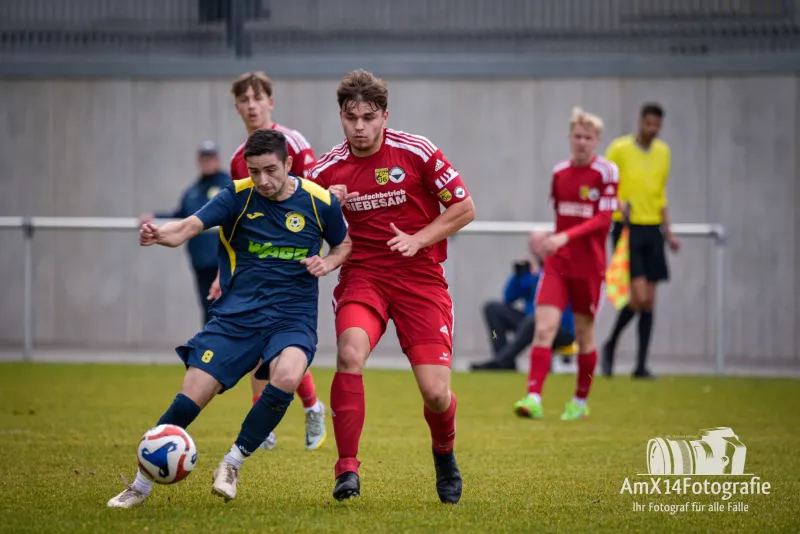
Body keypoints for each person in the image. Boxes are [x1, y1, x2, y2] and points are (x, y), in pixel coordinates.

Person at [107, 129, 351, 509]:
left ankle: (233, 463)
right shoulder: (237, 195)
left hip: (292, 318)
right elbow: (189, 226)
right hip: (237, 317)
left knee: (288, 375)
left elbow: (344, 242)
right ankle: (139, 485)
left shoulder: (319, 202)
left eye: (271, 170)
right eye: (255, 171)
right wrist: (160, 234)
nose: (263, 180)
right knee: (189, 401)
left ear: (288, 164)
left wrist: (329, 261)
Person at [310, 69, 476, 503]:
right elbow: (301, 226)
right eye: (351, 118)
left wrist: (418, 238)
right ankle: (347, 470)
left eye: (369, 117)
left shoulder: (416, 152)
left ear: (385, 115)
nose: (360, 127)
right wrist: (329, 209)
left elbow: (464, 207)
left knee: (436, 393)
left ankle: (444, 454)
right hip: (363, 276)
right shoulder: (325, 171)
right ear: (341, 117)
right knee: (349, 353)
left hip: (420, 279)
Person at [212, 71, 325, 451]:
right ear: (237, 107)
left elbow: (317, 194)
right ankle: (268, 422)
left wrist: (319, 252)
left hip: (295, 260)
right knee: (257, 339)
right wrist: (222, 273)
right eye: (244, 100)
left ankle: (311, 407)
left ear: (270, 102)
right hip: (256, 262)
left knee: (282, 344)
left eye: (257, 98)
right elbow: (235, 221)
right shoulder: (236, 160)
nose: (251, 105)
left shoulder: (292, 143)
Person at [513, 107, 618, 421]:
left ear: (597, 140)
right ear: (569, 138)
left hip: (589, 266)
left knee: (584, 335)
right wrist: (552, 238)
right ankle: (533, 398)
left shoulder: (607, 172)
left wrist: (565, 237)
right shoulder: (560, 173)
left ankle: (580, 401)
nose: (582, 142)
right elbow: (562, 216)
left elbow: (604, 219)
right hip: (558, 263)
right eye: (577, 136)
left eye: (588, 137)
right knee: (543, 328)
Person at [601, 103, 680, 379]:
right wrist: (618, 205)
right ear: (640, 122)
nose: (652, 129)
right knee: (638, 297)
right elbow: (604, 185)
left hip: (653, 229)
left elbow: (661, 195)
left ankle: (640, 364)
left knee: (650, 302)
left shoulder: (663, 153)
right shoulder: (619, 149)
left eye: (656, 125)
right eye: (648, 123)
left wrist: (669, 232)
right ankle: (609, 345)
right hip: (627, 229)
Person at [139, 141, 231, 325]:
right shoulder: (192, 191)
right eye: (204, 158)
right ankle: (210, 350)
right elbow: (180, 216)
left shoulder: (228, 186)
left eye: (210, 158)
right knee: (208, 309)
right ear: (198, 161)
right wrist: (155, 217)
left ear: (218, 160)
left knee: (225, 309)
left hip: (223, 261)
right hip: (201, 262)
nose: (207, 162)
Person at [470, 231, 577, 372]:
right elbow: (508, 298)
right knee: (492, 309)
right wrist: (518, 275)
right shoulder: (530, 270)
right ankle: (506, 363)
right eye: (532, 245)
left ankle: (499, 362)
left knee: (533, 321)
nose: (535, 250)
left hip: (559, 329)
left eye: (539, 245)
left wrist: (536, 275)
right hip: (530, 324)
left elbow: (552, 294)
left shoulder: (560, 267)